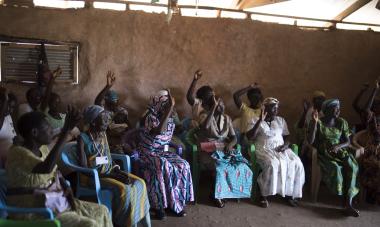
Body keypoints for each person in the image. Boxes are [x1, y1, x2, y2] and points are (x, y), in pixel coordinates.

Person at [5, 107, 113, 227]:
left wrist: (66, 188)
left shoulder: (43, 149)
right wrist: (66, 131)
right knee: (89, 224)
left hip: (54, 201)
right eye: (47, 127)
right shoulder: (18, 153)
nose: (52, 131)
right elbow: (46, 169)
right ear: (34, 133)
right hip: (34, 210)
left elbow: (55, 172)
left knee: (102, 210)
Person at [77, 105, 150, 227]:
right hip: (94, 177)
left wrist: (118, 172)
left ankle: (142, 219)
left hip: (110, 171)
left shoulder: (103, 134)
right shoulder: (83, 138)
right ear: (94, 122)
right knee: (125, 190)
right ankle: (124, 223)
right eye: (104, 119)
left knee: (140, 183)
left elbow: (108, 157)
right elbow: (84, 167)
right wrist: (112, 176)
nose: (107, 121)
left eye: (107, 118)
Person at [138, 90, 193, 219]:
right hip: (147, 153)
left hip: (163, 152)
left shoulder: (171, 117)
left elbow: (170, 133)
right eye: (165, 105)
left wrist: (171, 112)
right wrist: (169, 110)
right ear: (159, 105)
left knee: (183, 165)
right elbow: (158, 131)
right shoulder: (150, 117)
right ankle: (158, 206)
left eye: (168, 105)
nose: (168, 108)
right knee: (162, 165)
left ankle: (176, 203)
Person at [246, 97, 305, 208]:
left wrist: (286, 145)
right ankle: (264, 195)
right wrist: (260, 121)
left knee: (297, 163)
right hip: (263, 149)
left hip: (281, 148)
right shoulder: (254, 120)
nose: (276, 111)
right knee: (273, 164)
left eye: (277, 109)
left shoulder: (280, 120)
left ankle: (290, 193)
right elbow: (249, 137)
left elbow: (287, 136)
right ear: (265, 109)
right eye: (273, 109)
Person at [308, 99, 360, 217]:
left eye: (338, 108)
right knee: (335, 168)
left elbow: (348, 141)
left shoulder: (341, 122)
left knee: (352, 165)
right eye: (335, 108)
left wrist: (338, 146)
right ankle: (344, 200)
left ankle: (348, 203)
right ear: (327, 110)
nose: (338, 110)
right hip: (325, 154)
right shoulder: (318, 122)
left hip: (340, 151)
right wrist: (315, 123)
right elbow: (311, 141)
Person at [198, 97, 253, 208]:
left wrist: (230, 144)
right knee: (220, 168)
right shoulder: (205, 116)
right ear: (211, 107)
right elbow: (205, 127)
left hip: (224, 149)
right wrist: (213, 109)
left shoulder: (227, 118)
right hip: (208, 151)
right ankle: (216, 195)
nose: (222, 107)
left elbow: (233, 137)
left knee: (241, 166)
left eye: (222, 104)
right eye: (218, 105)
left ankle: (229, 192)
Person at [95, 71, 130, 153]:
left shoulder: (123, 111)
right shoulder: (104, 111)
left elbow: (129, 128)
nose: (113, 105)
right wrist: (108, 86)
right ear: (106, 103)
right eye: (111, 103)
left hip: (120, 142)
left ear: (118, 101)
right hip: (106, 142)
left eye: (115, 102)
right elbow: (97, 102)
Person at [353, 115, 380, 205]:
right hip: (369, 163)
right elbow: (367, 157)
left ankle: (374, 196)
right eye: (377, 125)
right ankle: (373, 196)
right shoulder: (369, 139)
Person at [0, 87, 17, 168]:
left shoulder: (8, 116)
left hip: (13, 150)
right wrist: (5, 100)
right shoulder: (1, 117)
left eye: (12, 107)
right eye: (8, 106)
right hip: (4, 156)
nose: (10, 110)